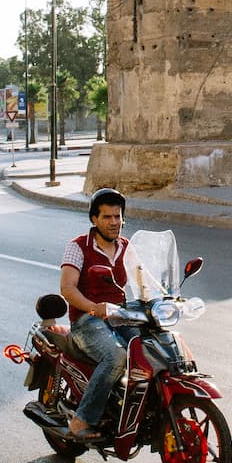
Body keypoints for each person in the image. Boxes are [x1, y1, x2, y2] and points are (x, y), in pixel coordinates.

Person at [60, 187, 133, 440]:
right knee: (116, 357)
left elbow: (146, 280)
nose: (115, 223)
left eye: (118, 216)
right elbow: (67, 289)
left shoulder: (127, 247)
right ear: (94, 219)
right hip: (86, 319)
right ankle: (81, 422)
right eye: (107, 217)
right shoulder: (78, 247)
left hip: (119, 316)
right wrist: (93, 307)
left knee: (155, 347)